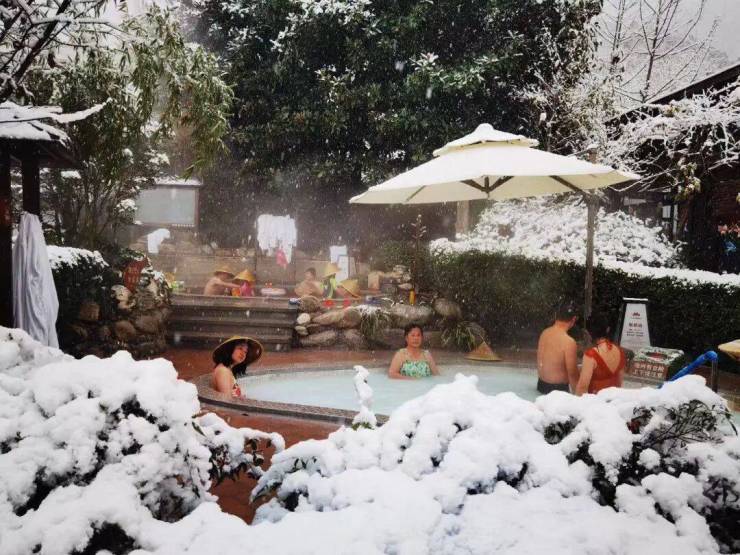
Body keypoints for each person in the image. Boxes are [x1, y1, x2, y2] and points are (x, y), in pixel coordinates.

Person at [575, 313, 625, 396]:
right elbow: (620, 382)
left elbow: (582, 387)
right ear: (608, 329)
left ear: (589, 333)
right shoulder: (620, 351)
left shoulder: (591, 355)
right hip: (614, 400)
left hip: (596, 401)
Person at [536, 301, 579, 394]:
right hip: (558, 393)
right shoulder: (568, 342)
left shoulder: (545, 333)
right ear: (573, 319)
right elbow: (572, 375)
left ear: (556, 315)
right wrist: (580, 397)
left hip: (540, 386)